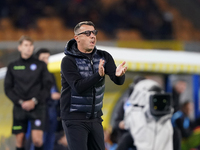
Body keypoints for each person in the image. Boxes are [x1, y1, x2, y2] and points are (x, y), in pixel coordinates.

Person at [60, 21, 127, 150]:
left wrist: (119, 75)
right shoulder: (68, 61)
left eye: (94, 32)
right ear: (77, 38)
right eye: (87, 33)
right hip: (74, 118)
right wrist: (98, 75)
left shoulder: (104, 56)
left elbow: (118, 81)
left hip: (95, 118)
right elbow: (78, 87)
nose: (93, 36)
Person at [4, 35, 53, 150]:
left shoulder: (41, 65)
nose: (29, 48)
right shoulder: (13, 66)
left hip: (37, 107)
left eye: (31, 45)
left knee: (37, 140)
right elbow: (8, 88)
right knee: (20, 140)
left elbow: (47, 86)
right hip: (19, 107)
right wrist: (21, 102)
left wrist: (34, 101)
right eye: (26, 45)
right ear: (19, 47)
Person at [35, 48, 61, 150]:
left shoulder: (50, 75)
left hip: (53, 111)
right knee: (38, 141)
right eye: (43, 58)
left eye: (47, 58)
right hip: (40, 112)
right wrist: (50, 96)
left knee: (50, 140)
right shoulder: (34, 76)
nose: (46, 60)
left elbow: (56, 90)